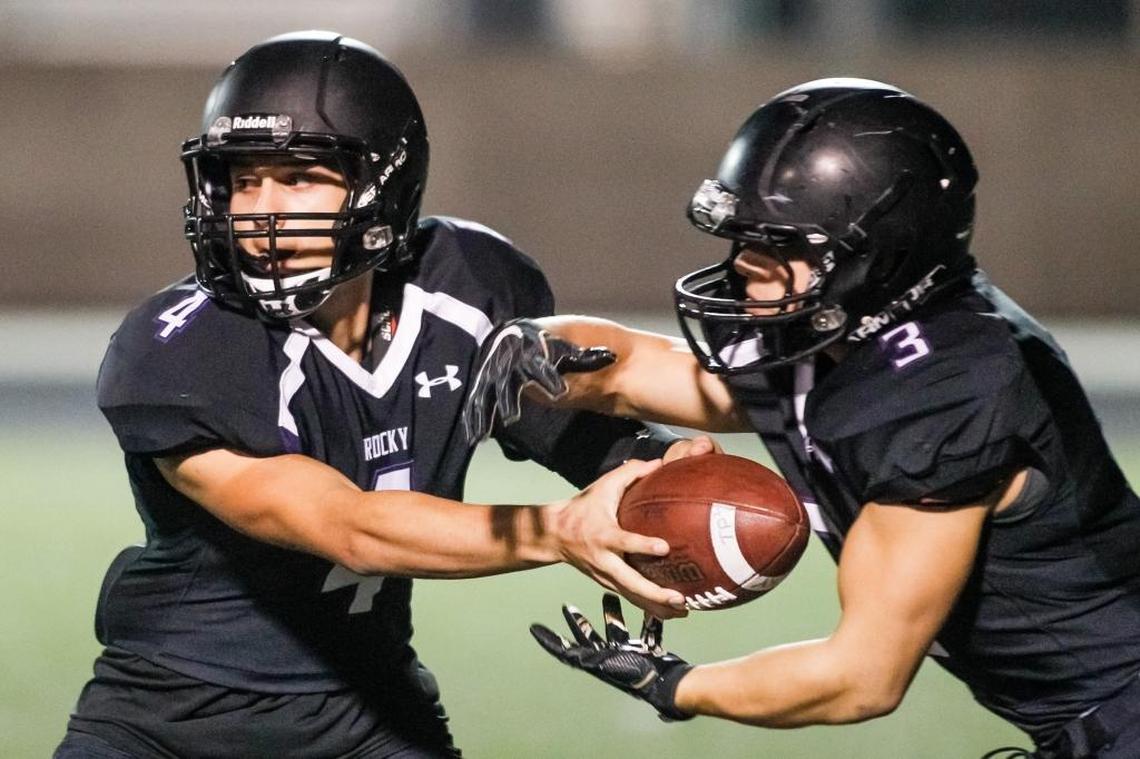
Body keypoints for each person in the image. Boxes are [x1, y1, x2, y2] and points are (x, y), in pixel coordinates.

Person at [53, 30, 712, 759]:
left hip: (368, 711)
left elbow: (569, 430)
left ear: (382, 187)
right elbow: (350, 528)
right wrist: (558, 530)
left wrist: (668, 478)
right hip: (169, 718)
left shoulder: (463, 287)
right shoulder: (179, 349)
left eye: (299, 175)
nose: (260, 213)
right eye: (243, 179)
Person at [462, 78, 1140, 758]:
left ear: (880, 255)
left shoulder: (945, 390)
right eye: (744, 239)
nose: (744, 267)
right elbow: (649, 369)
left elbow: (862, 677)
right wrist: (532, 345)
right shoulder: (848, 324)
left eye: (778, 246)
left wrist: (676, 685)